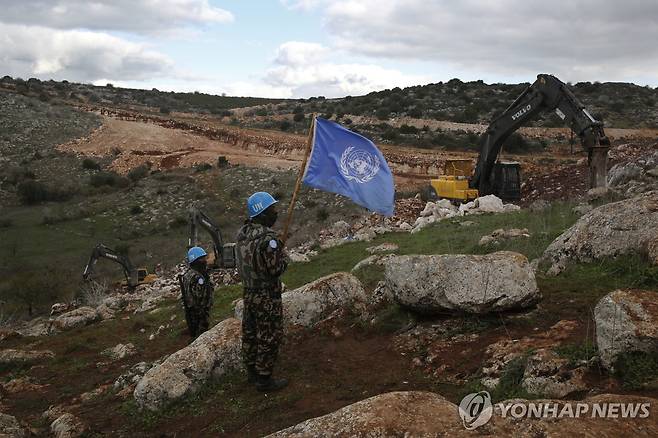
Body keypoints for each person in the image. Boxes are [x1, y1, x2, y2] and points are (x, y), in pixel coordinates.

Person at [236, 192, 289, 392]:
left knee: (250, 333)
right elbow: (276, 269)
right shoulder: (269, 238)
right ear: (263, 213)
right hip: (267, 295)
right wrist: (282, 255)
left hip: (248, 292)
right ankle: (264, 379)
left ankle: (251, 372)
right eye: (272, 210)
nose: (275, 213)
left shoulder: (242, 233)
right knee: (269, 335)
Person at [179, 246, 214, 339]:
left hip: (191, 311)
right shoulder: (198, 277)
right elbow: (200, 297)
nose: (205, 261)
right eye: (202, 259)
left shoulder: (188, 274)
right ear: (196, 261)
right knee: (201, 336)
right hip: (198, 313)